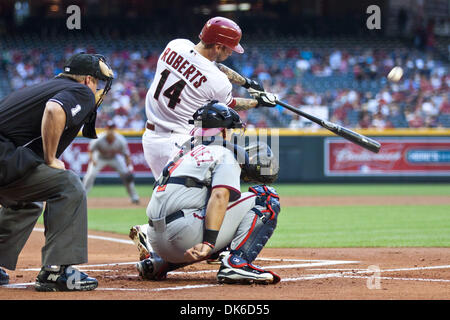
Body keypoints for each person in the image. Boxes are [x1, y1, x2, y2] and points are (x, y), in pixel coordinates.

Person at [132, 101, 281, 284]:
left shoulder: (181, 152)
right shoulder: (224, 153)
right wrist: (209, 242)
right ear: (223, 131)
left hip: (156, 239)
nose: (235, 134)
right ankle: (237, 263)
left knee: (210, 214)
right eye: (232, 129)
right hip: (183, 234)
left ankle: (160, 264)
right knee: (267, 197)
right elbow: (219, 197)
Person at [0, 53, 114, 291]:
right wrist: (50, 158)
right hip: (5, 158)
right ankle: (57, 271)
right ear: (87, 80)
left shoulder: (42, 86)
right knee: (68, 185)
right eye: (97, 83)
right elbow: (54, 110)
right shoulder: (81, 92)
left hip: (7, 158)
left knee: (27, 200)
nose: (98, 90)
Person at [142, 16, 278, 179]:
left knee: (168, 197)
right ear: (218, 46)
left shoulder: (176, 45)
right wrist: (258, 102)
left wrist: (247, 83)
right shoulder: (218, 82)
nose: (231, 52)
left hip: (151, 138)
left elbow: (212, 67)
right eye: (229, 48)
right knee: (206, 194)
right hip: (180, 141)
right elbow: (232, 104)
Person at [83, 120, 140, 204]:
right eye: (109, 128)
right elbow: (90, 150)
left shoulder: (120, 140)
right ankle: (82, 197)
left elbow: (126, 155)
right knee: (90, 175)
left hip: (114, 158)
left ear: (115, 130)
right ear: (106, 129)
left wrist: (129, 168)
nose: (110, 131)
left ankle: (134, 197)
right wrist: (93, 160)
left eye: (112, 128)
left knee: (126, 175)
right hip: (99, 157)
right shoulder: (98, 138)